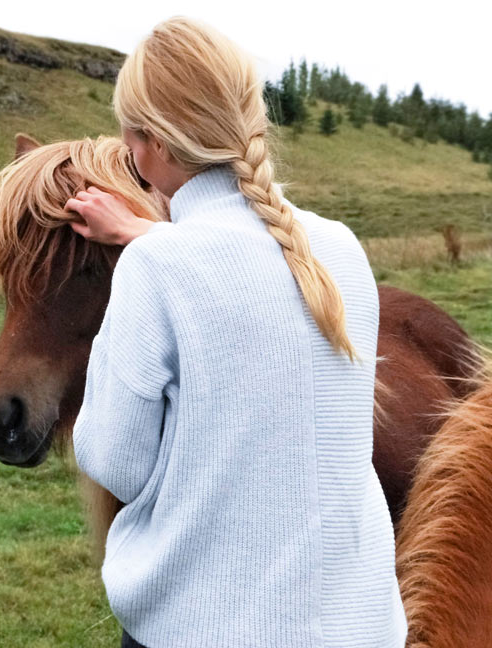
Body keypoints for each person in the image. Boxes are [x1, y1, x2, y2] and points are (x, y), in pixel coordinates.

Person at [65, 17, 407, 648]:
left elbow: (117, 463)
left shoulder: (156, 267)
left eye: (129, 133)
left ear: (152, 144)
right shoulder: (341, 249)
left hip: (206, 626)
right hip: (362, 626)